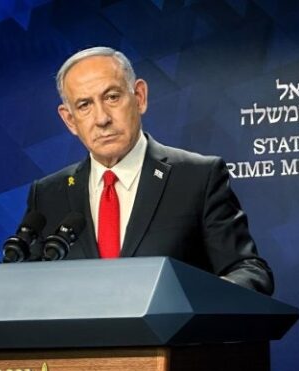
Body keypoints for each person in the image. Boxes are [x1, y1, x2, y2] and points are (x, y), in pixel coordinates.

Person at [23, 46, 274, 295]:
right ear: (69, 120)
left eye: (112, 97)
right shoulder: (47, 194)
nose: (102, 119)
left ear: (140, 97)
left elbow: (249, 271)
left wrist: (202, 299)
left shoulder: (198, 177)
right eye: (84, 105)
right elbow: (26, 286)